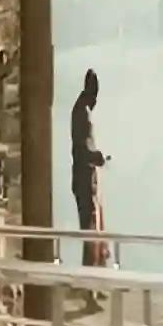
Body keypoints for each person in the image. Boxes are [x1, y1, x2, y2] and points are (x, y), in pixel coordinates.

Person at [70, 69, 110, 268]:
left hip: (84, 178)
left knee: (91, 228)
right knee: (90, 228)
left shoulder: (80, 110)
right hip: (85, 179)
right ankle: (90, 276)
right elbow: (83, 149)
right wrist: (99, 157)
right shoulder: (83, 112)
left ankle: (93, 273)